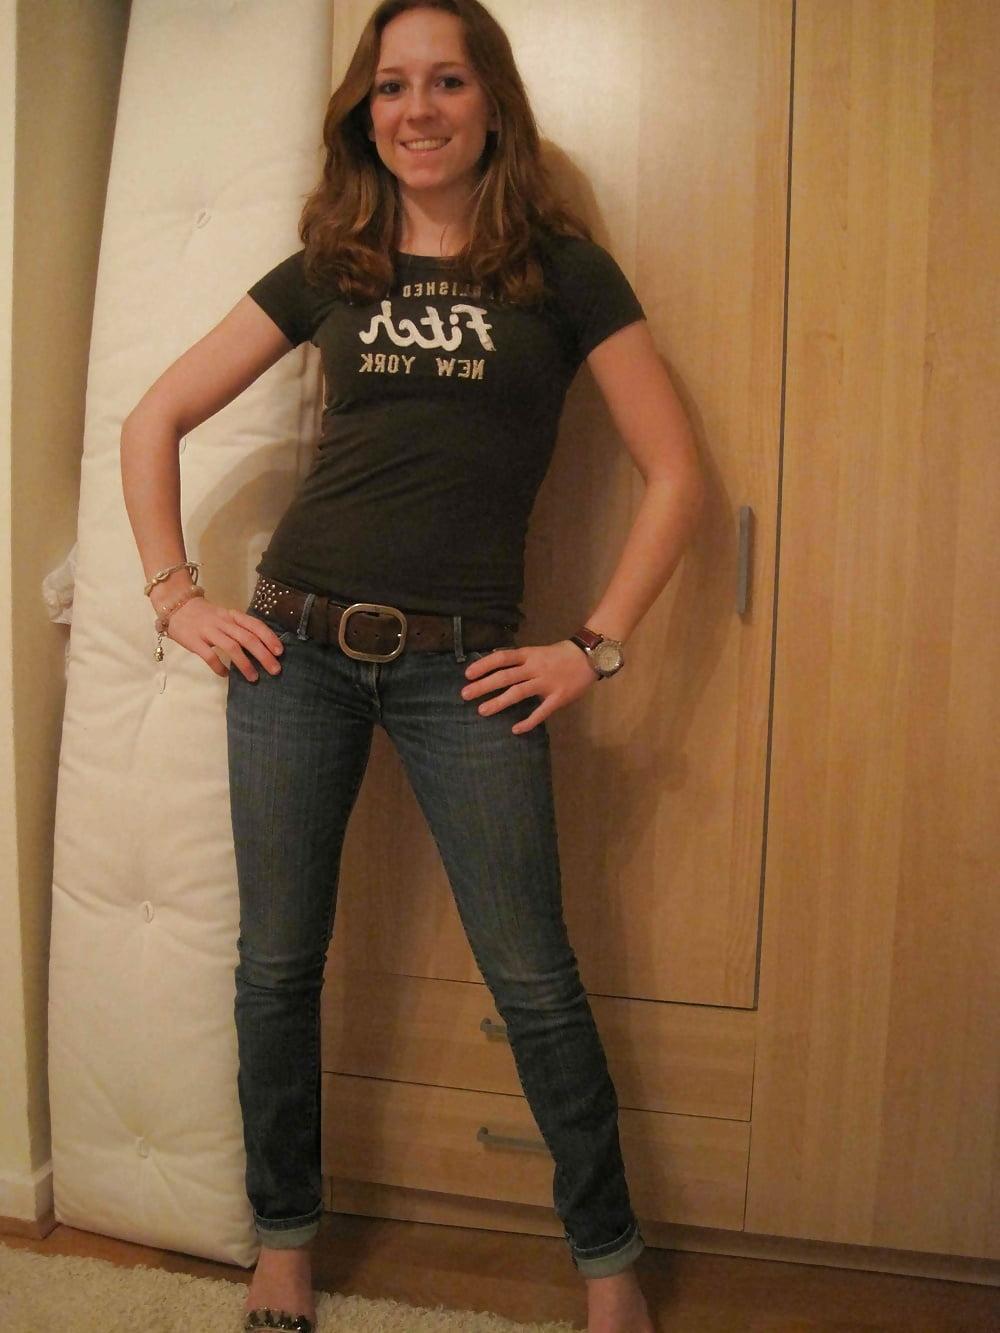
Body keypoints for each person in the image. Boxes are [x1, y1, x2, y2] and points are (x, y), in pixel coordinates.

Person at [121, 2, 704, 1329]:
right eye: (391, 87)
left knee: (534, 977)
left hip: (467, 670)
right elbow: (154, 415)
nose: (417, 109)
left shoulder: (565, 272)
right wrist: (177, 597)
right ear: (363, 112)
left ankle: (608, 1267)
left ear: (492, 103)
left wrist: (594, 646)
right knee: (277, 966)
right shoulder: (335, 264)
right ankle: (284, 1241)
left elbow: (676, 472)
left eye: (446, 82)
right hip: (295, 651)